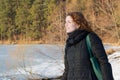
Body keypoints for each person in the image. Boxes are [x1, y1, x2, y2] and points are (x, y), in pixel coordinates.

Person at [61, 12, 114, 80]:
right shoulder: (69, 44)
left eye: (69, 22)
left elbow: (103, 62)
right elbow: (67, 70)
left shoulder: (91, 38)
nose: (66, 25)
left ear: (78, 24)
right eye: (65, 22)